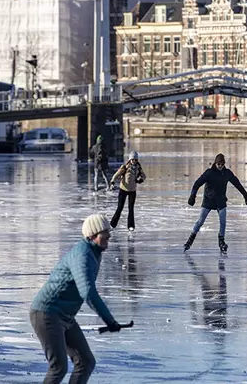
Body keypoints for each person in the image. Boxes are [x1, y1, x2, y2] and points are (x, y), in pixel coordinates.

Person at [30, 214, 122, 384]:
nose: (109, 235)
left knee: (86, 362)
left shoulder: (94, 252)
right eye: (104, 232)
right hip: (47, 313)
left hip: (64, 316)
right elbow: (87, 291)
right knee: (58, 367)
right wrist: (109, 320)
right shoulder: (83, 255)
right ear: (92, 236)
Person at [184, 153, 247, 253]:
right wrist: (192, 196)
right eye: (218, 164)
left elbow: (238, 184)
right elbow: (197, 184)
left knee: (223, 222)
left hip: (221, 201)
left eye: (222, 164)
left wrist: (246, 196)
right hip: (208, 201)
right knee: (200, 222)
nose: (220, 166)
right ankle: (190, 240)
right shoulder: (209, 173)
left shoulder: (227, 173)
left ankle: (221, 242)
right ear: (215, 163)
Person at [110, 151, 146, 231]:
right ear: (130, 159)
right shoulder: (125, 167)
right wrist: (112, 182)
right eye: (132, 159)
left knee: (131, 208)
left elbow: (144, 176)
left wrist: (140, 180)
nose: (134, 161)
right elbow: (116, 175)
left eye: (135, 160)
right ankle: (112, 224)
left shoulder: (138, 167)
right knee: (120, 208)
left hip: (132, 191)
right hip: (123, 189)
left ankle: (131, 226)